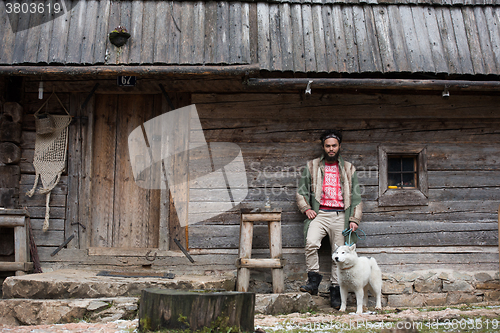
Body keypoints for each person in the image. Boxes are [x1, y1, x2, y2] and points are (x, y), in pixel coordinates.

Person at [296, 129, 363, 308]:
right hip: (320, 213)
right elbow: (301, 191)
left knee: (338, 253)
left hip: (341, 214)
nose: (331, 149)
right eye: (328, 146)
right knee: (311, 242)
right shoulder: (311, 166)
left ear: (339, 146)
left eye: (334, 145)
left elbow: (356, 197)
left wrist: (354, 219)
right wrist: (306, 208)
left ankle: (335, 291)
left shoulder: (349, 168)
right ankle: (313, 281)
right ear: (323, 147)